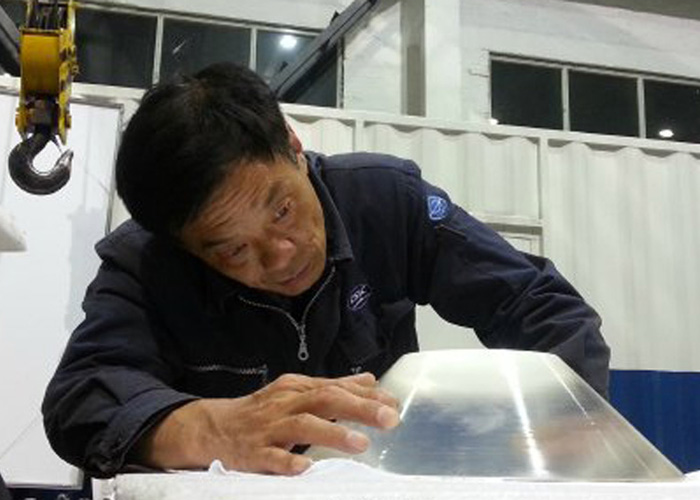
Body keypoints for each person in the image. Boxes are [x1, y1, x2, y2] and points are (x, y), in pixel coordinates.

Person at [42, 62, 610, 478]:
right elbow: (81, 398)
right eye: (233, 251)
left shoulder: (384, 201)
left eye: (282, 210)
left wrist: (560, 417)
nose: (280, 255)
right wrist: (210, 428)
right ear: (183, 247)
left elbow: (538, 304)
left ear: (293, 145)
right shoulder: (144, 262)